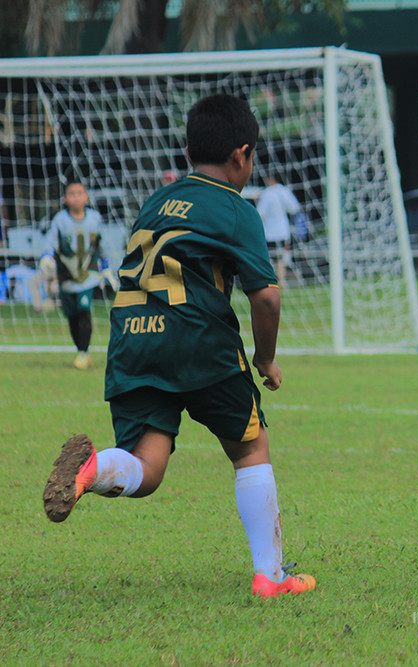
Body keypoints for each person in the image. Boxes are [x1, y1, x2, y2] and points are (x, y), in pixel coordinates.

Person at [41, 93, 315, 599]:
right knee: (250, 448)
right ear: (242, 154)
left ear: (188, 152)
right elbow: (267, 299)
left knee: (146, 466)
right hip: (199, 341)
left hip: (133, 342)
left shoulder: (155, 202)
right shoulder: (235, 209)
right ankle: (270, 576)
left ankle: (92, 468)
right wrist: (266, 357)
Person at [40, 181, 119, 369]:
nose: (76, 197)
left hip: (88, 276)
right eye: (72, 194)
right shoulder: (60, 219)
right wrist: (46, 256)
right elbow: (51, 240)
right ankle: (81, 351)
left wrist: (106, 267)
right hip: (67, 277)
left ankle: (83, 354)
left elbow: (101, 245)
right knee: (72, 315)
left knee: (84, 311)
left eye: (79, 193)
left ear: (86, 197)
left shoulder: (95, 218)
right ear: (65, 199)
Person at [256, 173, 301, 287]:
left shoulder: (267, 194)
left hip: (269, 232)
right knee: (280, 258)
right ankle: (281, 282)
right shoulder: (284, 191)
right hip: (282, 231)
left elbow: (260, 213)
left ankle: (272, 282)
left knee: (269, 258)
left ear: (270, 179)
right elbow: (294, 208)